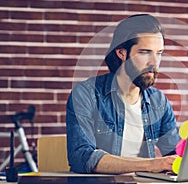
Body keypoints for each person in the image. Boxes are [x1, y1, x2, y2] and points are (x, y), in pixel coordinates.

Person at [66, 14, 180, 174]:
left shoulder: (159, 101)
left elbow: (175, 155)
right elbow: (82, 158)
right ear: (121, 53)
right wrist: (151, 165)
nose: (154, 62)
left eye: (159, 53)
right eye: (145, 52)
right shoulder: (86, 94)